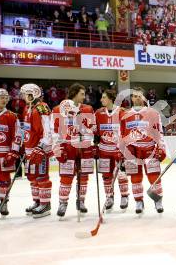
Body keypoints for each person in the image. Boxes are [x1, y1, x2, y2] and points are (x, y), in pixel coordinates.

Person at [120, 87, 166, 214]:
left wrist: (161, 147)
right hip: (132, 151)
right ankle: (139, 201)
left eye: (140, 96)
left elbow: (159, 132)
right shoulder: (125, 115)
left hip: (149, 149)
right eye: (135, 96)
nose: (137, 98)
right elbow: (122, 135)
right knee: (135, 178)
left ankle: (158, 200)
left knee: (154, 177)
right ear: (132, 98)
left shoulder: (153, 113)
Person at [52, 83, 95, 218]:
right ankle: (63, 203)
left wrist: (90, 139)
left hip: (84, 147)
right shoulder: (58, 109)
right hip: (67, 147)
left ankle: (81, 201)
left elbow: (93, 129)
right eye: (82, 94)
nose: (84, 96)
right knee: (66, 177)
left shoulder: (88, 109)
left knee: (83, 177)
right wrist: (57, 148)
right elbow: (54, 131)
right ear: (74, 93)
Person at [20, 83, 53, 218]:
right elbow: (26, 130)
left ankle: (45, 204)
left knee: (41, 177)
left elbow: (47, 130)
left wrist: (41, 147)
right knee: (32, 177)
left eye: (25, 94)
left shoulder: (41, 108)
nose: (22, 97)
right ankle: (37, 201)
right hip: (29, 149)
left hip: (39, 149)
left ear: (32, 94)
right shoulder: (27, 108)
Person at [0, 88, 22, 219]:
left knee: (4, 181)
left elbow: (17, 135)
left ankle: (4, 203)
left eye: (6, 97)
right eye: (1, 97)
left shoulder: (12, 116)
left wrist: (13, 152)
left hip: (4, 155)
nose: (4, 99)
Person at [94, 89, 129, 212]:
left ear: (110, 98)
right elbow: (95, 130)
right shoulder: (98, 113)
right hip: (103, 150)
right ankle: (109, 197)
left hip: (118, 149)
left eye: (104, 97)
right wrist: (94, 144)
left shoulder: (121, 112)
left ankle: (124, 196)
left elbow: (126, 131)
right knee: (106, 176)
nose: (101, 100)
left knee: (121, 174)